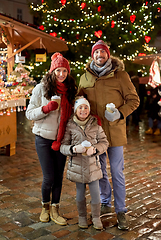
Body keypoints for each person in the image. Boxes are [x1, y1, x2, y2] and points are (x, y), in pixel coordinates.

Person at [78, 40, 140, 230]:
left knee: (117, 172)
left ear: (108, 55)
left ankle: (121, 211)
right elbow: (79, 99)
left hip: (114, 132)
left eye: (103, 53)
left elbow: (134, 100)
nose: (99, 56)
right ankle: (106, 202)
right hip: (96, 133)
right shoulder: (85, 77)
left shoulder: (120, 76)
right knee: (101, 171)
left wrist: (120, 112)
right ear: (92, 56)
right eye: (96, 53)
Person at [26, 52, 77, 225]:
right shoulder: (41, 88)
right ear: (52, 71)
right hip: (43, 138)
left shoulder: (69, 91)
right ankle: (45, 207)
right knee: (49, 177)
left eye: (64, 71)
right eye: (58, 71)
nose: (61, 74)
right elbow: (29, 113)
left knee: (58, 177)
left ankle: (55, 209)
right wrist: (46, 108)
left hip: (61, 140)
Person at [60, 97, 109, 230]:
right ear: (75, 110)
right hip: (77, 167)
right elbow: (63, 146)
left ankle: (96, 217)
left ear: (89, 110)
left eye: (86, 107)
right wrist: (73, 149)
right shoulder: (70, 126)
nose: (83, 110)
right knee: (80, 194)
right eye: (80, 107)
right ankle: (82, 216)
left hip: (93, 166)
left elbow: (104, 142)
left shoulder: (96, 126)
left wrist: (95, 149)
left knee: (95, 194)